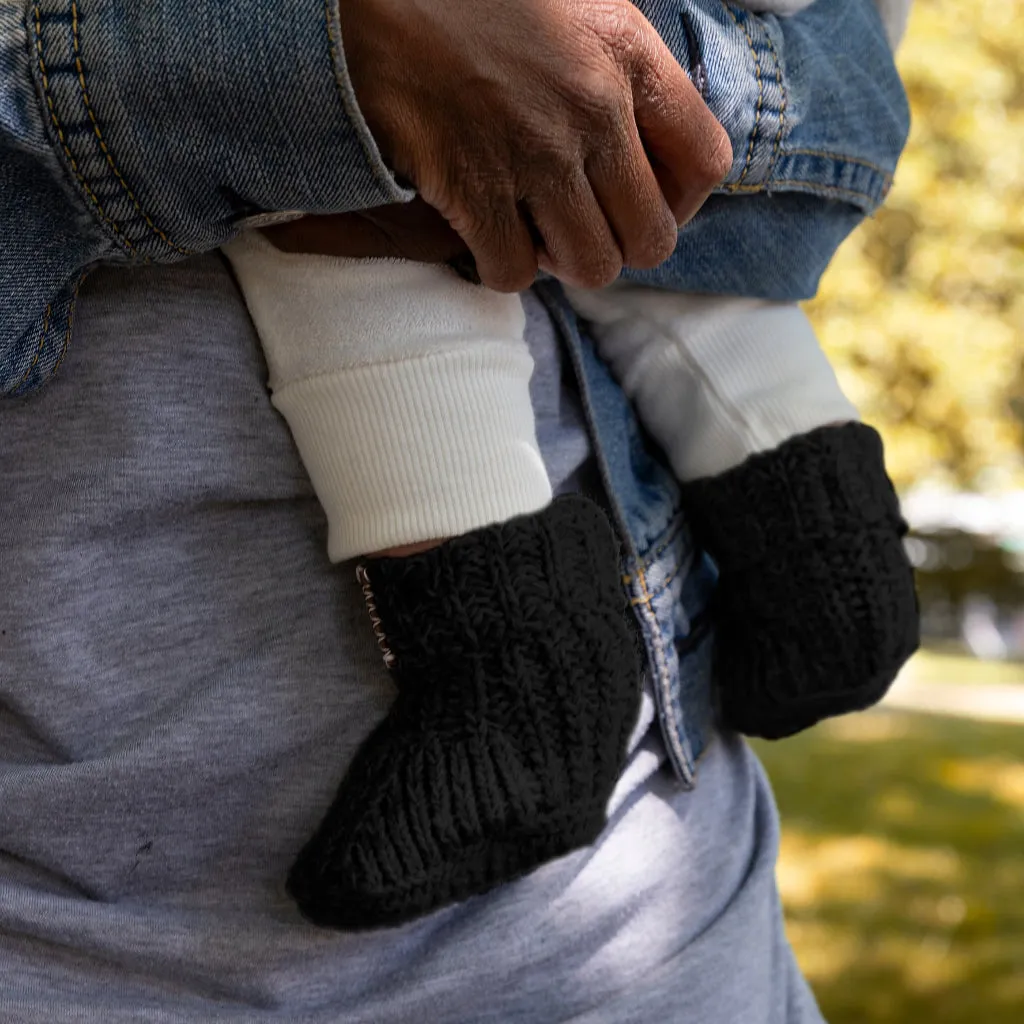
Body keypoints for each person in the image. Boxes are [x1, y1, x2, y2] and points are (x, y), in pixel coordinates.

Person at [1, 0, 911, 1019]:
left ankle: (532, 658)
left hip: (662, 928)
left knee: (367, 193)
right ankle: (800, 554)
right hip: (70, 927)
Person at [221, 0, 918, 931]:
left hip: (545, 60)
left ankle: (518, 669)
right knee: (661, 258)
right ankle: (828, 564)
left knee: (322, 178)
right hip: (763, 71)